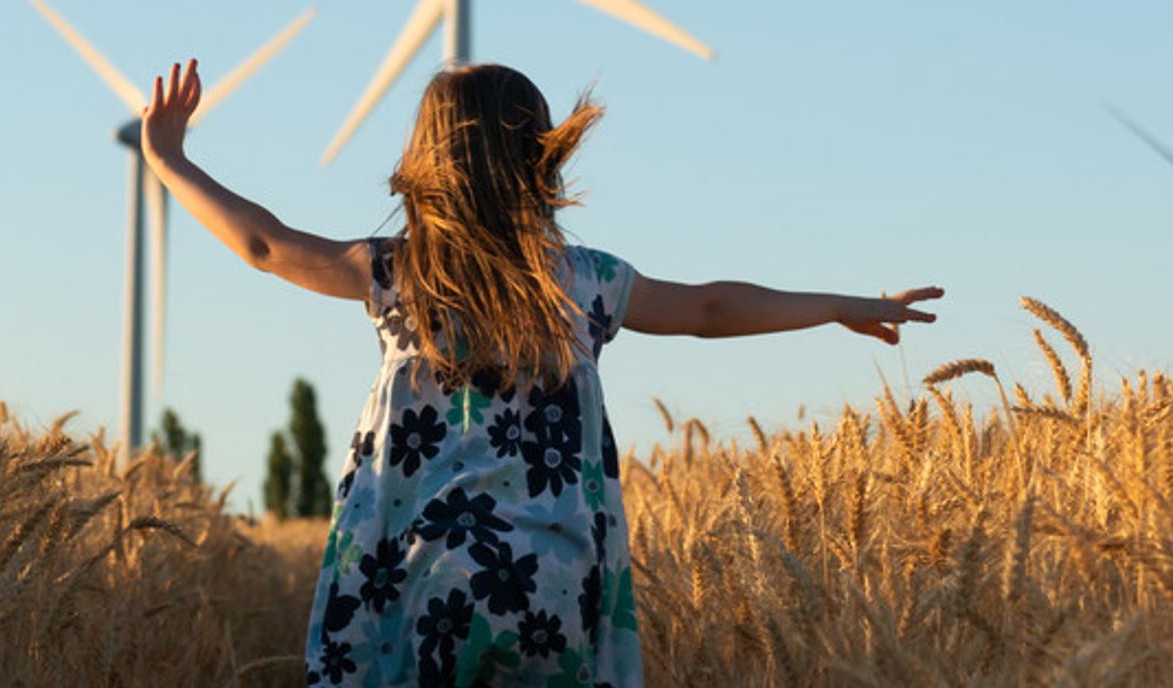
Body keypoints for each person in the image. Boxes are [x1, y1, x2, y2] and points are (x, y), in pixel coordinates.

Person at [140, 59, 942, 687]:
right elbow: (711, 308)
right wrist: (844, 304)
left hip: (421, 575)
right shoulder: (587, 281)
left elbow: (265, 245)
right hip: (554, 580)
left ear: (426, 162)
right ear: (540, 158)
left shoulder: (399, 275)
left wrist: (169, 157)